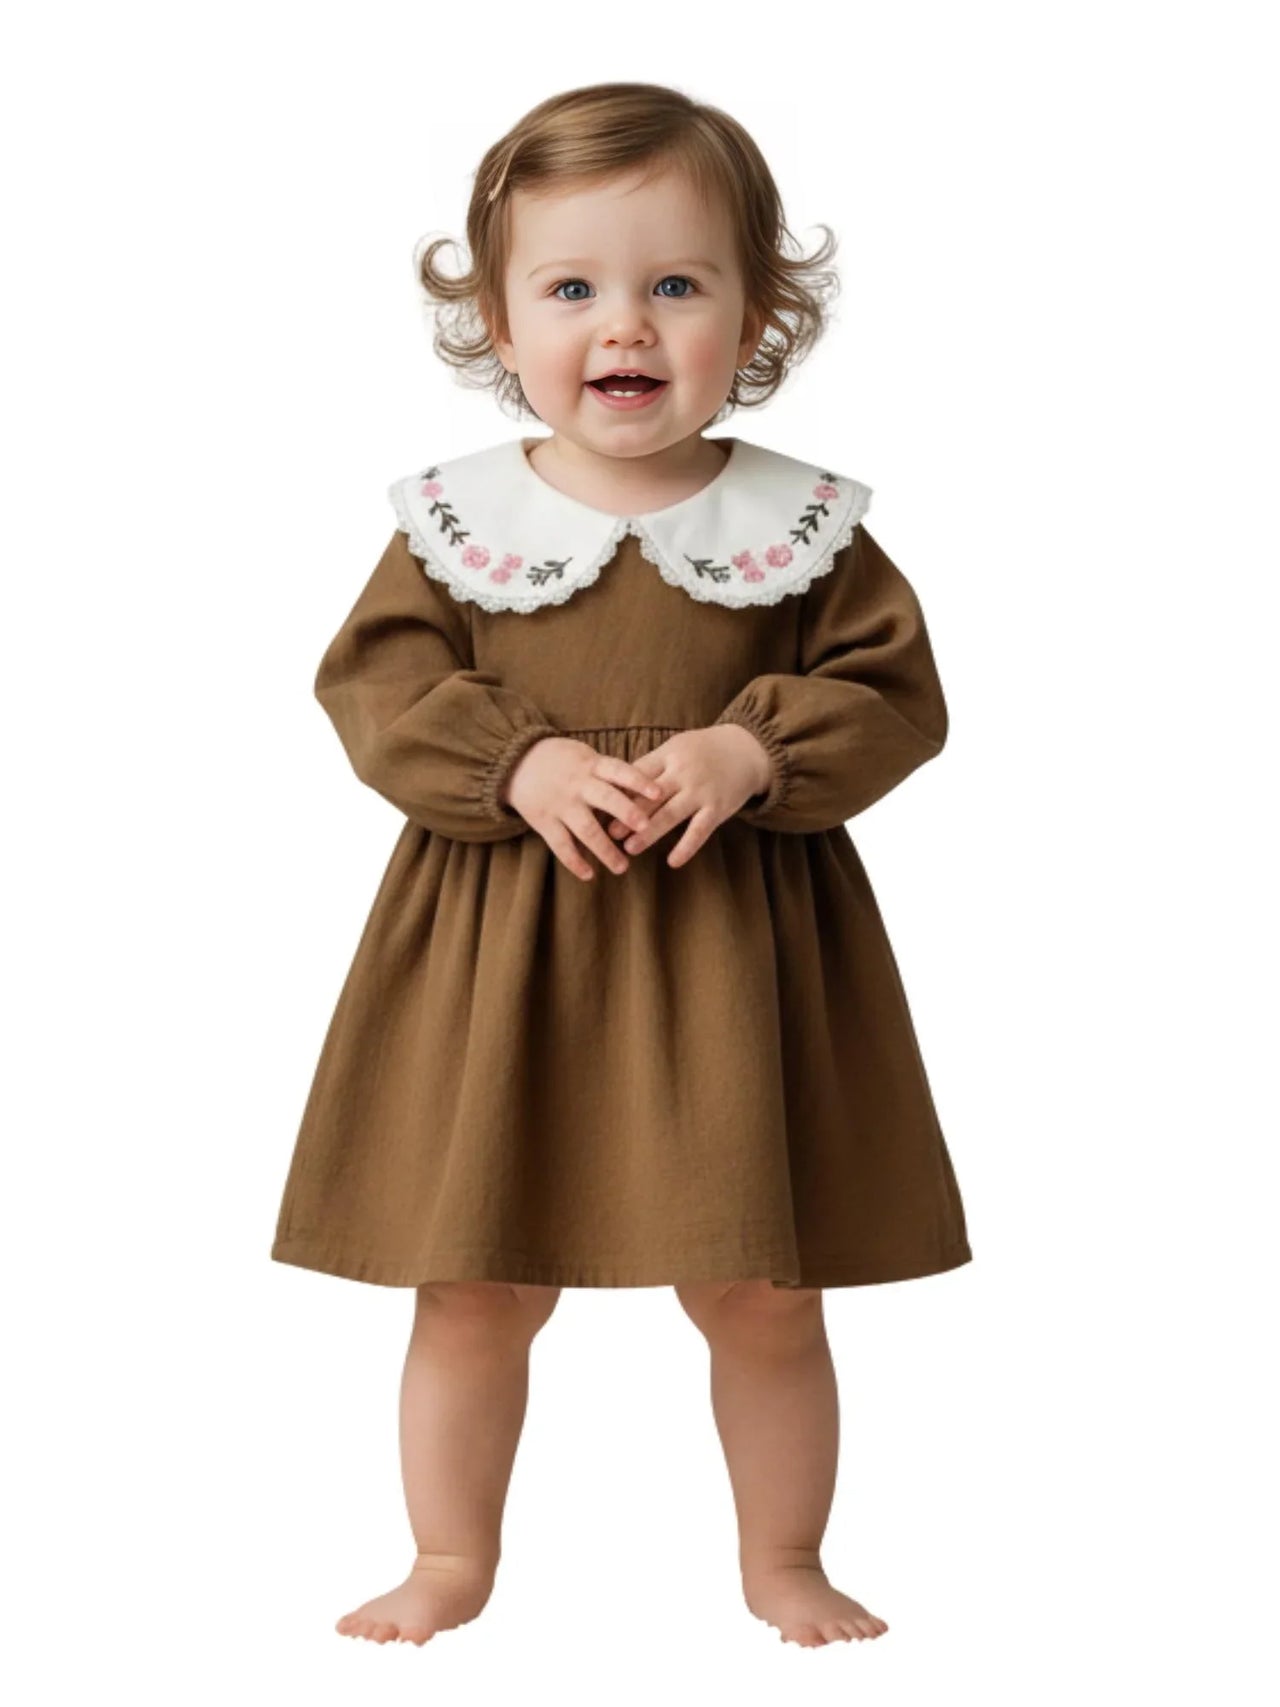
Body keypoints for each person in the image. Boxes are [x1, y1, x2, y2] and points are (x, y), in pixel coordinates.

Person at [271, 79, 973, 1651]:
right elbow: (375, 690)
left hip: (736, 950)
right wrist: (513, 757)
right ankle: (450, 1561)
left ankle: (781, 1560)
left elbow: (894, 692)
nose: (625, 326)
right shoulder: (458, 523)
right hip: (499, 956)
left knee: (763, 1287)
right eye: (573, 287)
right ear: (499, 323)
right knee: (470, 1285)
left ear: (755, 313)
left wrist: (754, 749)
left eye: (676, 284)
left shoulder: (802, 526)